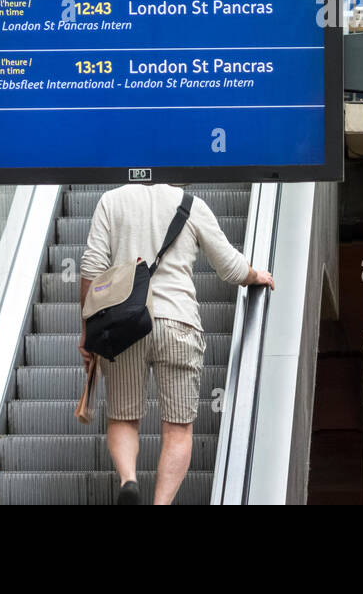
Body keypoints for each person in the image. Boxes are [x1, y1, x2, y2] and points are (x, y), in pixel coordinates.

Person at [79, 183, 274, 505]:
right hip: (178, 322)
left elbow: (91, 268)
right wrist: (256, 276)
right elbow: (230, 267)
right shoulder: (192, 204)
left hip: (126, 326)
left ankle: (129, 480)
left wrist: (88, 332)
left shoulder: (111, 200)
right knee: (178, 428)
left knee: (123, 418)